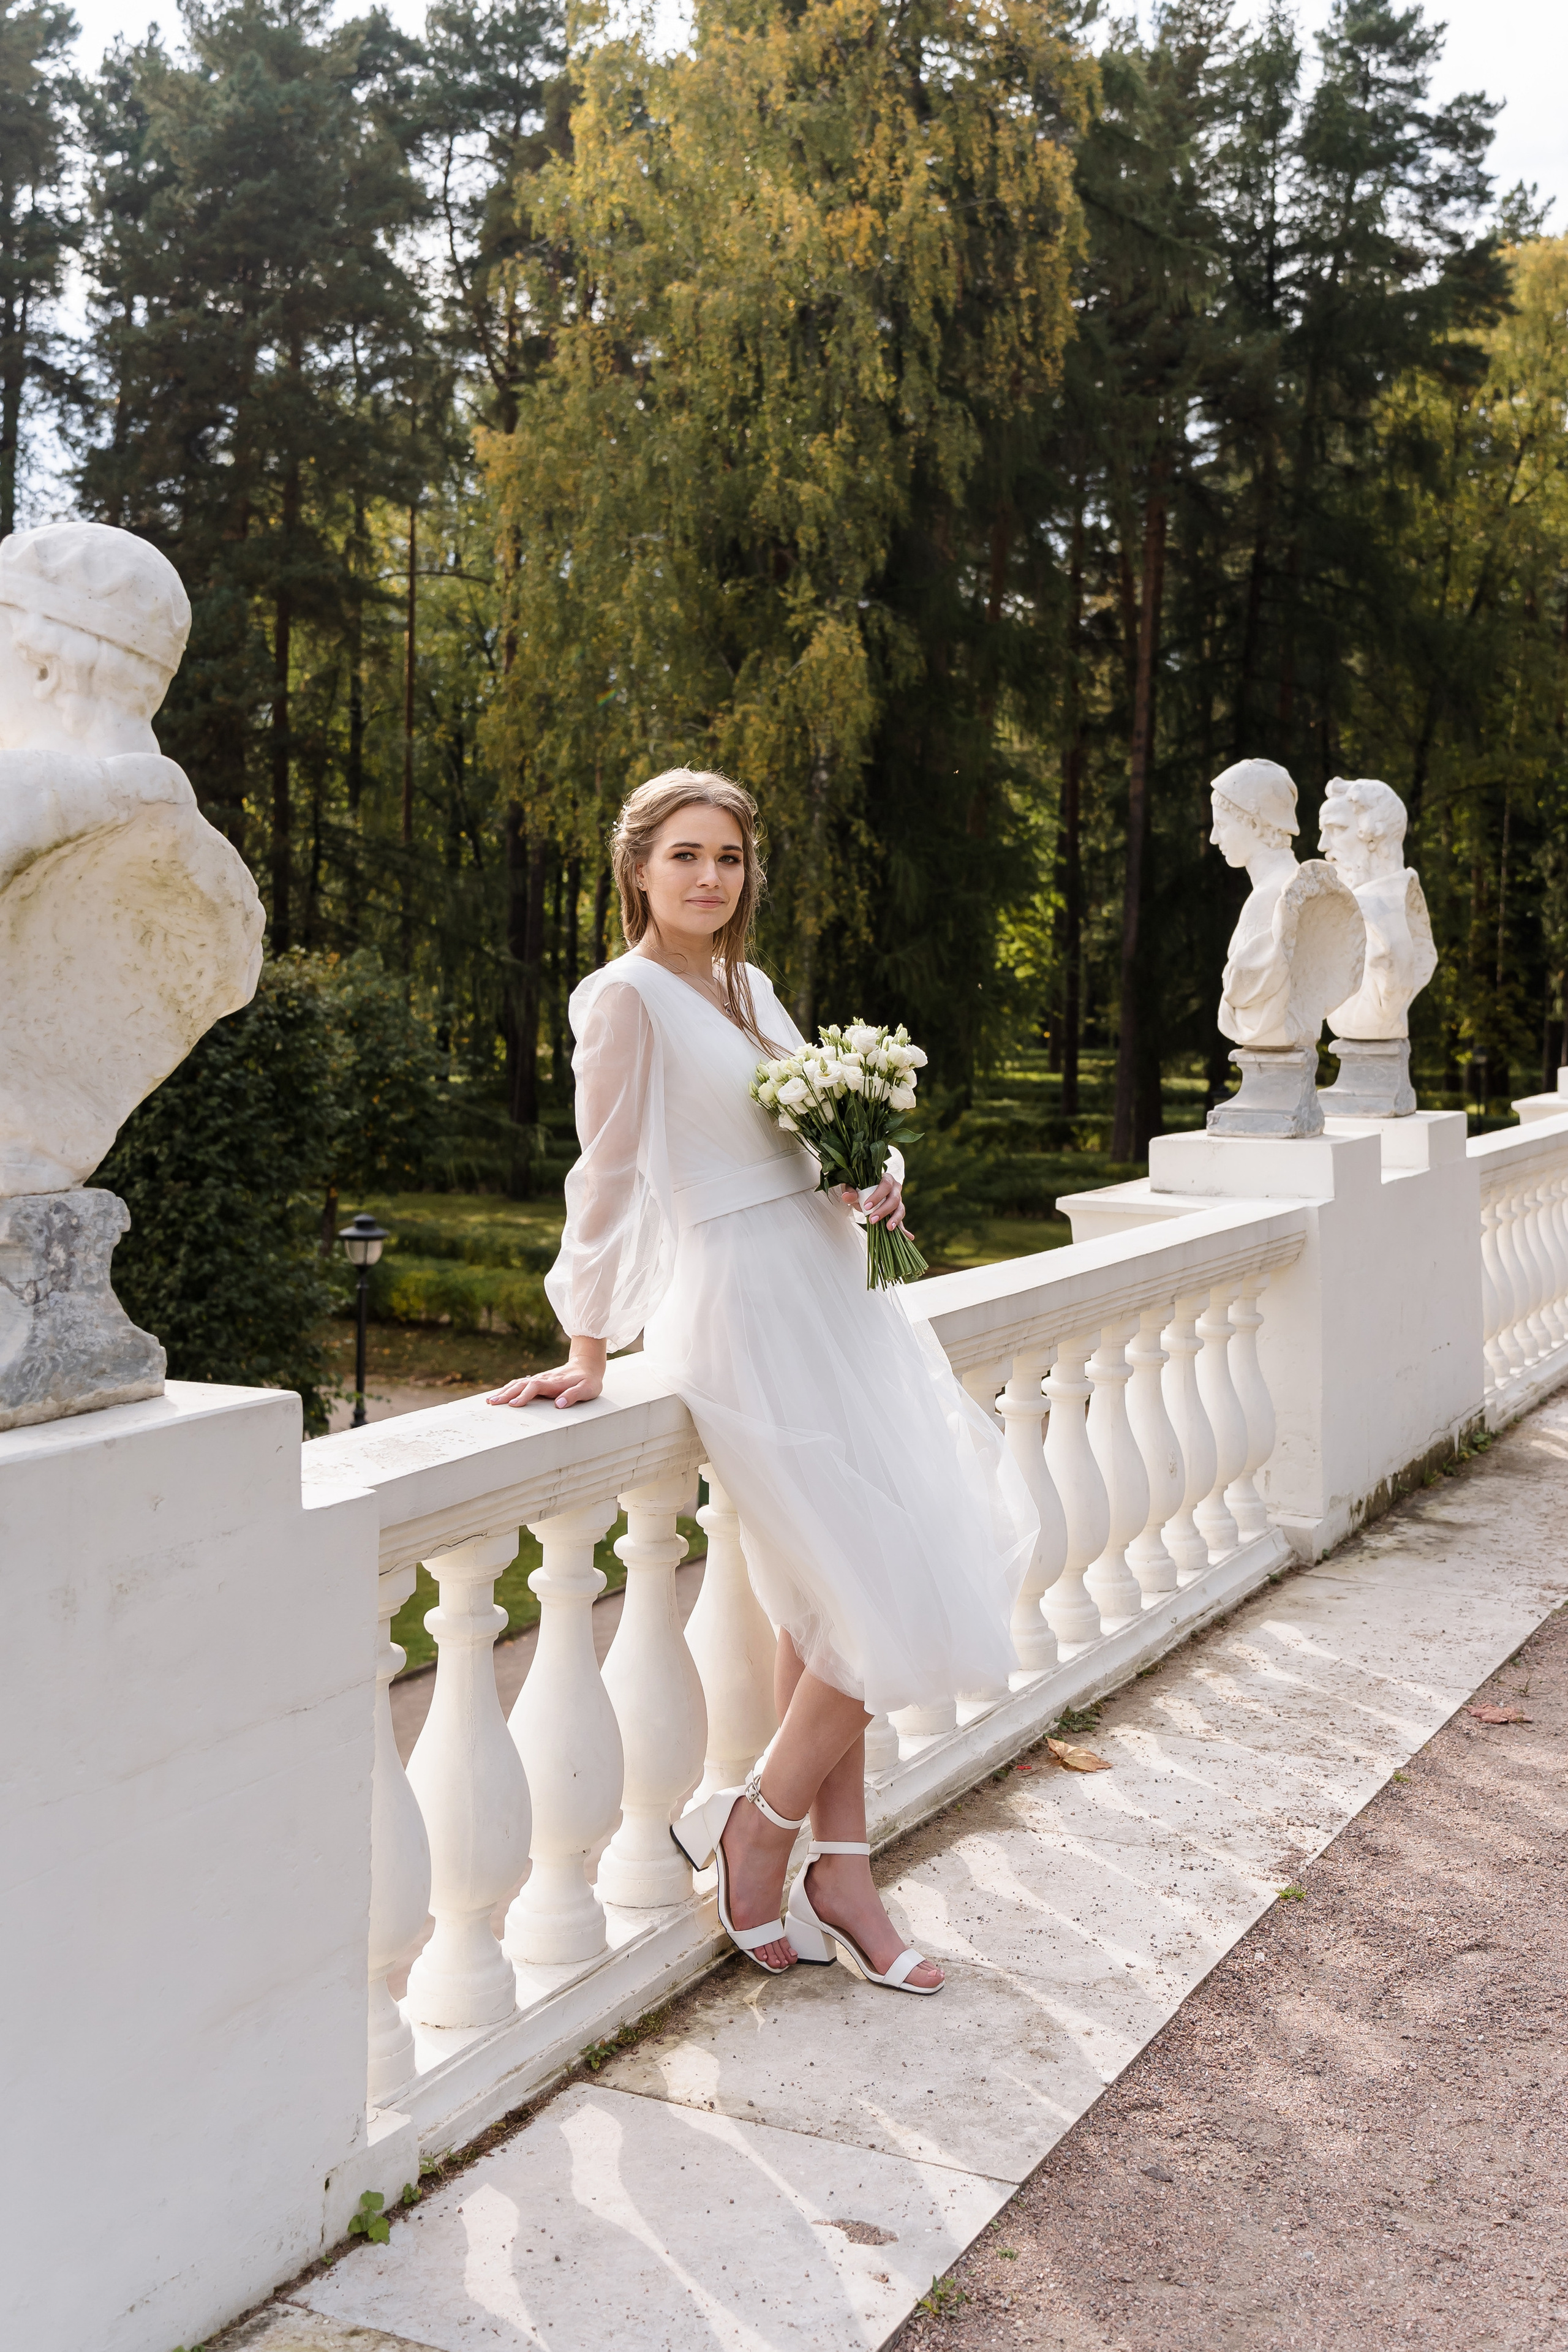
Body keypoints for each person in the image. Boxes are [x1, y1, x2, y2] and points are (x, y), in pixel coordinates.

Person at [491, 768, 1035, 1995]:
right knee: (882, 1582)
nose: (707, 878)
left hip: (833, 1285)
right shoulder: (620, 996)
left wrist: (868, 1175)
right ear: (637, 870)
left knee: (830, 1596)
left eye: (727, 858)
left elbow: (811, 1124)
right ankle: (759, 1830)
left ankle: (840, 1873)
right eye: (683, 855)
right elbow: (608, 1174)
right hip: (742, 1301)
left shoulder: (746, 986)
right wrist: (586, 1341)